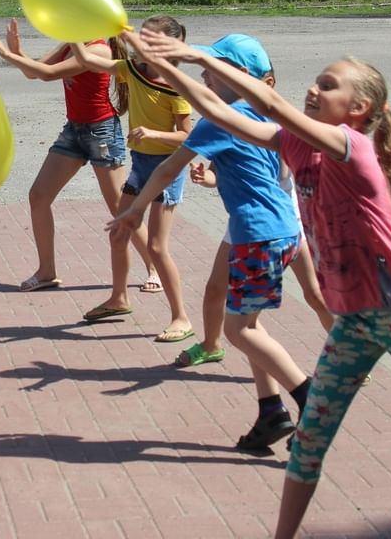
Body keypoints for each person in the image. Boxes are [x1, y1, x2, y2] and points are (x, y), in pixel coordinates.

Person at [135, 28, 391, 539]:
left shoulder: (352, 146)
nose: (314, 88)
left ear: (360, 107)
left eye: (328, 85)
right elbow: (221, 114)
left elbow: (270, 103)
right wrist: (169, 67)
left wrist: (194, 53)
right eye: (316, 80)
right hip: (354, 323)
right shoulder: (296, 146)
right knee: (308, 444)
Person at [110, 33, 313, 453]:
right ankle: (270, 411)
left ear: (239, 77)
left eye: (216, 66)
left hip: (259, 233)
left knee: (237, 330)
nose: (206, 71)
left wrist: (133, 211)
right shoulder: (262, 114)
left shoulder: (219, 120)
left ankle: (312, 402)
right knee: (249, 323)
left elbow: (168, 170)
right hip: (282, 228)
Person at [0, 18, 158, 293]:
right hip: (75, 131)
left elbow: (46, 74)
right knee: (39, 196)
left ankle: (155, 268)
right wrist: (18, 53)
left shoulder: (99, 50)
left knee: (121, 207)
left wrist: (9, 56)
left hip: (102, 132)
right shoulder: (72, 43)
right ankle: (47, 272)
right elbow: (36, 72)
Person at [70, 15, 193, 342]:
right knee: (119, 232)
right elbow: (84, 60)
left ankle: (181, 317)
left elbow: (187, 137)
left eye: (147, 39)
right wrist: (71, 32)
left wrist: (152, 132)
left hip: (167, 169)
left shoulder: (176, 86)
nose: (138, 43)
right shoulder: (131, 70)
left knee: (155, 246)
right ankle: (119, 299)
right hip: (141, 165)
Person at [176, 160, 334, 369]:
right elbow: (215, 173)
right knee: (215, 290)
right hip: (244, 221)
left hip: (282, 221)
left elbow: (285, 171)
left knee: (314, 295)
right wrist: (205, 177)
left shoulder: (276, 130)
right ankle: (210, 345)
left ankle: (344, 357)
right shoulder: (228, 131)